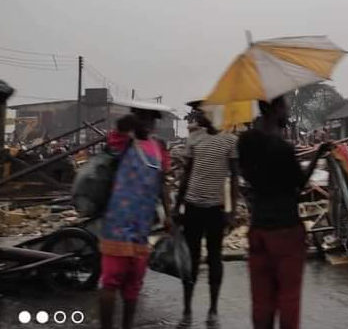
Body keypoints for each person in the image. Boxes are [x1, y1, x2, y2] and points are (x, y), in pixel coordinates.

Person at [238, 97, 331, 329]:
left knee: (261, 300)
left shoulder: (245, 143)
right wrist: (318, 156)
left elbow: (249, 178)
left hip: (258, 227)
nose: (287, 110)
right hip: (286, 230)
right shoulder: (282, 148)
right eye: (284, 106)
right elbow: (298, 185)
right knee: (289, 298)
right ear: (274, 109)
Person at [99, 107, 172, 329]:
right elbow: (118, 131)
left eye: (152, 119)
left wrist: (169, 215)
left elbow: (162, 183)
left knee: (134, 285)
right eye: (144, 118)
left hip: (143, 226)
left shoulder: (159, 148)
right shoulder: (124, 143)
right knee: (111, 281)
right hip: (118, 224)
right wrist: (130, 121)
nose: (149, 124)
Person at [175, 110, 240, 328]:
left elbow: (234, 176)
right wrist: (177, 205)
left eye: (202, 113)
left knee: (214, 259)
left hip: (216, 208)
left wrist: (232, 211)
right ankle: (186, 310)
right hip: (193, 206)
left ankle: (213, 310)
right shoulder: (194, 138)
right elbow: (186, 174)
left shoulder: (230, 140)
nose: (198, 117)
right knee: (190, 261)